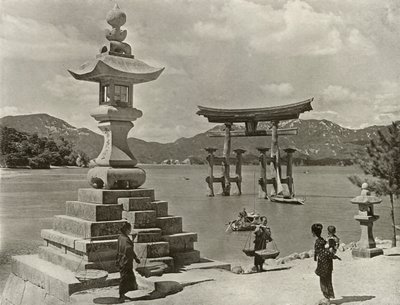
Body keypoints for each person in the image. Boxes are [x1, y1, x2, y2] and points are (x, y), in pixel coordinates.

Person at [116, 222, 140, 302]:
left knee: (131, 278)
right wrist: (135, 257)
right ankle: (121, 296)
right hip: (126, 262)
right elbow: (129, 249)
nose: (130, 231)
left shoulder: (120, 237)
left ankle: (128, 293)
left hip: (121, 261)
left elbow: (120, 249)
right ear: (126, 230)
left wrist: (135, 258)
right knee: (124, 279)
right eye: (129, 229)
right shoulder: (126, 239)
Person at [315, 239, 341, 305]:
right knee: (328, 283)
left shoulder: (322, 251)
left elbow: (317, 255)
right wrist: (337, 257)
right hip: (328, 271)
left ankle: (326, 298)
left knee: (323, 284)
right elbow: (333, 256)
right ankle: (328, 297)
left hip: (322, 272)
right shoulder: (328, 252)